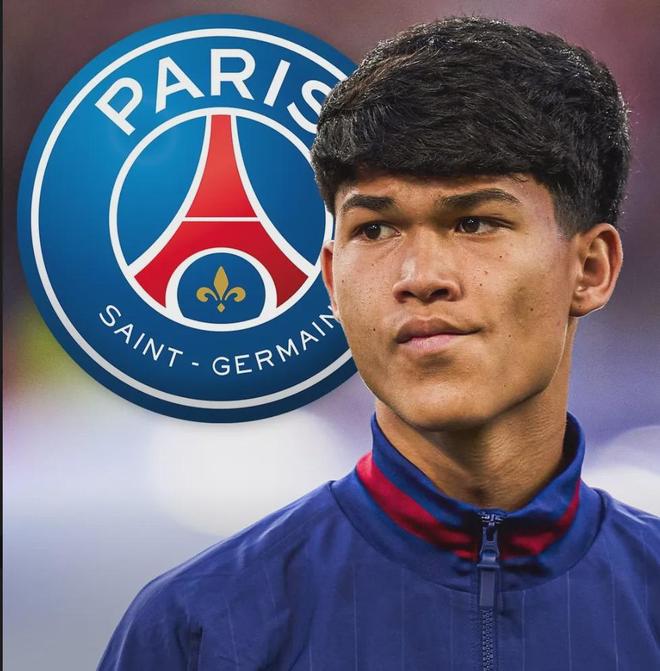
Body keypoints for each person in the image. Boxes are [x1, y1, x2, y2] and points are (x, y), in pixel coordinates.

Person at [98, 17, 660, 670]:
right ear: (332, 280)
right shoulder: (196, 632)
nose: (420, 276)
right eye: (375, 230)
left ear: (590, 269)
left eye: (474, 222)